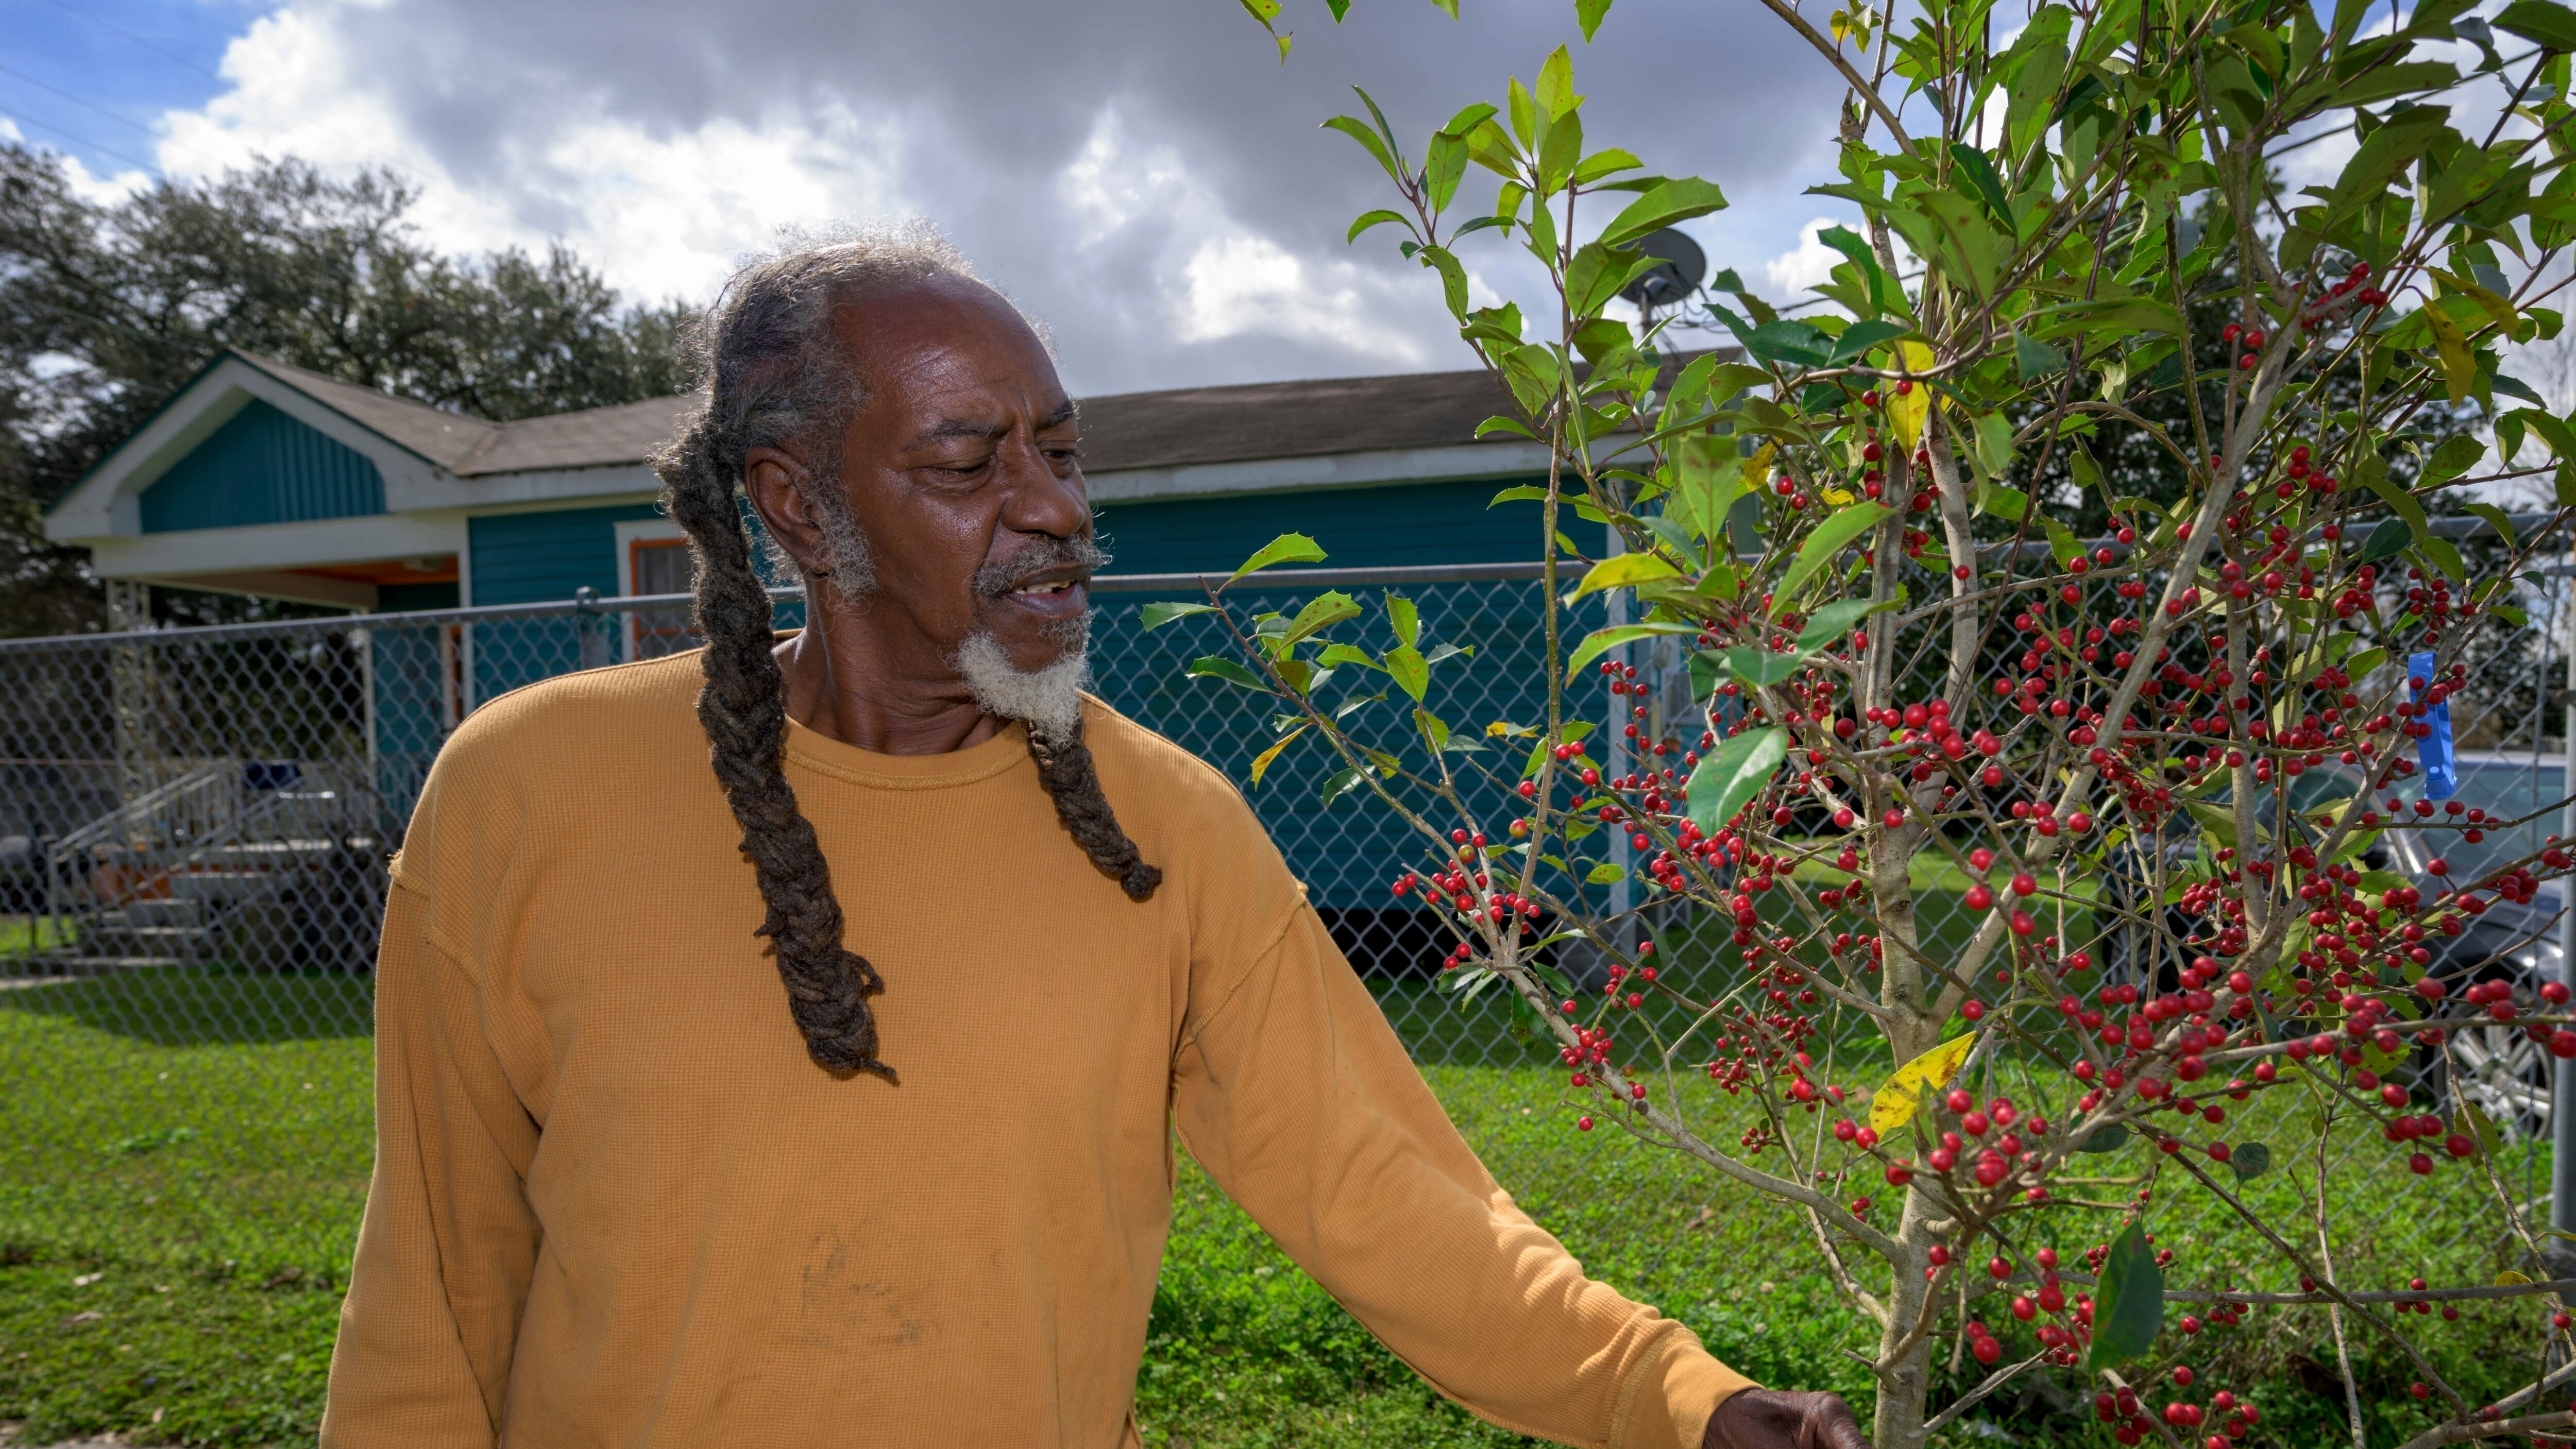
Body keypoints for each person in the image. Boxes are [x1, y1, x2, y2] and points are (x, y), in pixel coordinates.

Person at [319, 223, 1870, 1449]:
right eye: (968, 460)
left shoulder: (1170, 830)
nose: (1054, 505)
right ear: (798, 506)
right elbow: (437, 1293)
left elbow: (1392, 1195)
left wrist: (1679, 1402)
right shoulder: (526, 793)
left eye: (1059, 450)